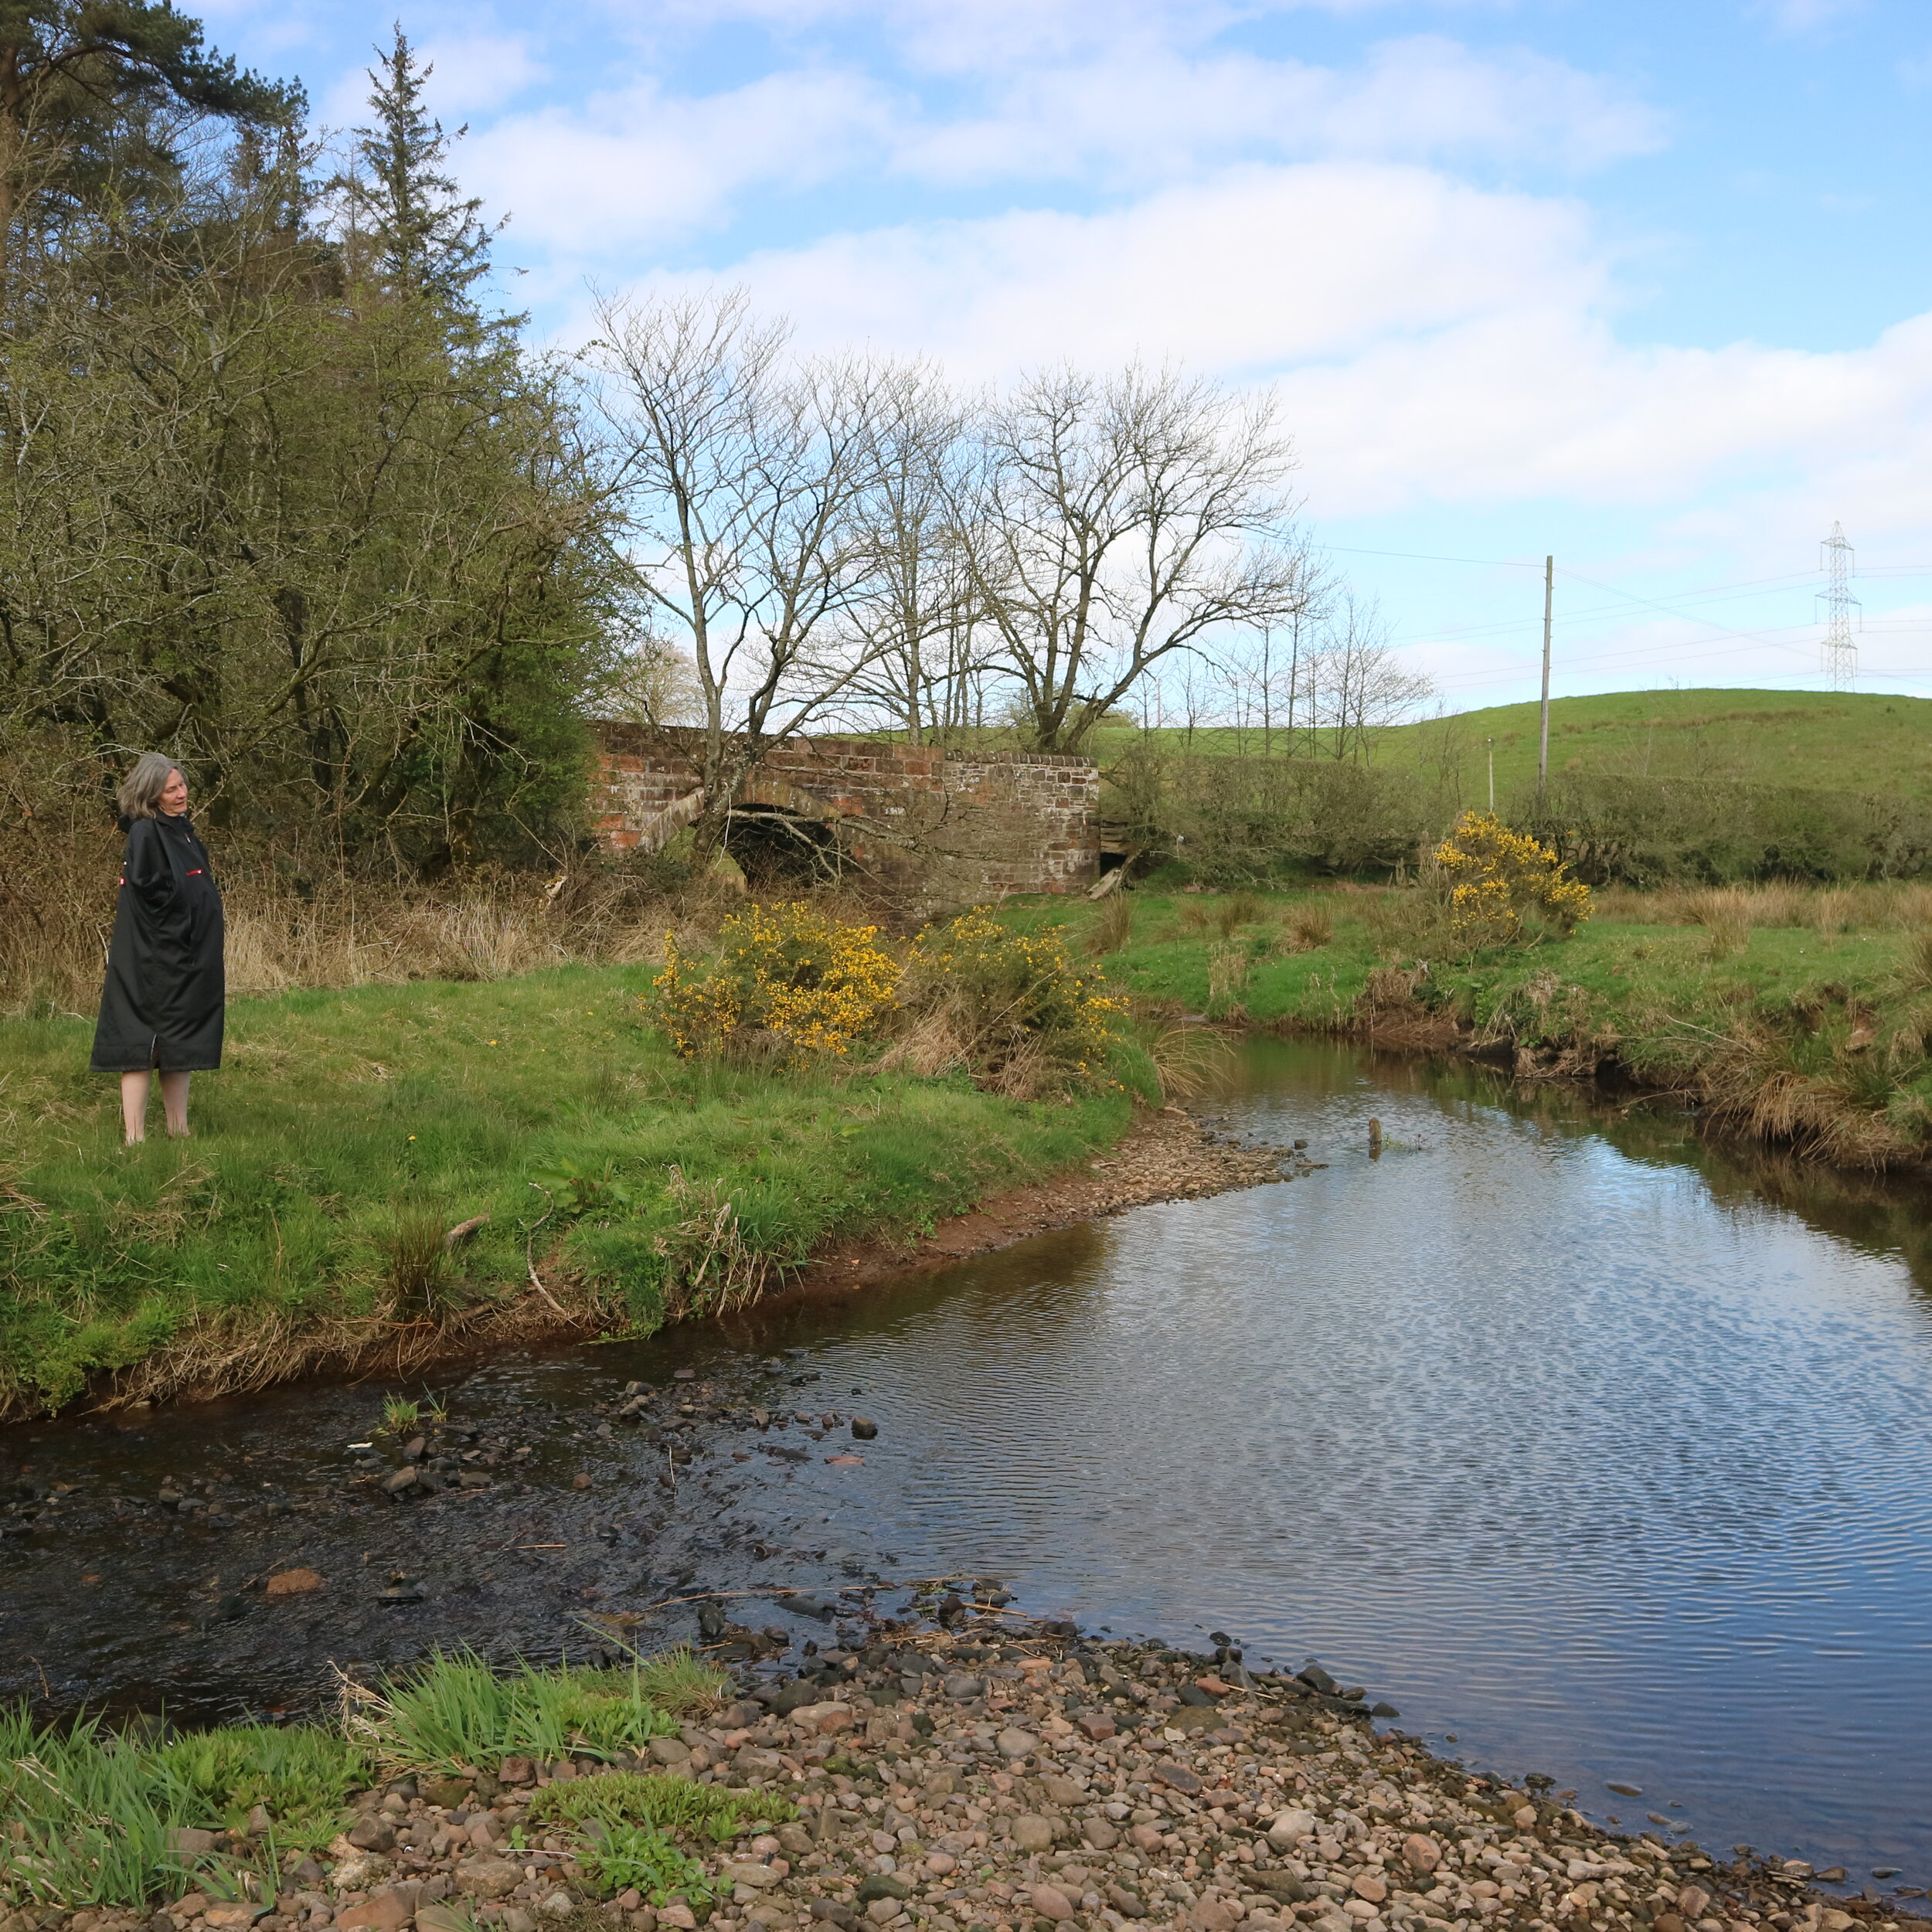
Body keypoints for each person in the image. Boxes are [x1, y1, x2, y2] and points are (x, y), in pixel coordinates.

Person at [90, 753, 226, 1144]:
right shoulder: (145, 833)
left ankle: (177, 1129)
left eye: (182, 785)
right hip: (155, 960)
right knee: (141, 1042)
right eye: (172, 789)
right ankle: (135, 1138)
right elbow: (152, 894)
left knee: (179, 1040)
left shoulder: (183, 831)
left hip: (187, 958)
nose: (182, 793)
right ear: (152, 795)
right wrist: (183, 929)